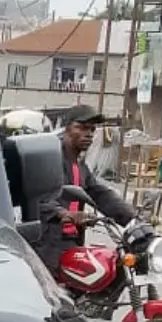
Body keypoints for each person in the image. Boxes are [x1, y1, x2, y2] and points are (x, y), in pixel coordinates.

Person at [36, 105, 135, 271]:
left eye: (91, 129)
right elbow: (39, 197)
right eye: (81, 128)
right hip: (47, 244)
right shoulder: (50, 159)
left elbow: (99, 193)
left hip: (71, 241)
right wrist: (64, 214)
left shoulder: (80, 165)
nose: (88, 134)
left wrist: (133, 219)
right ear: (67, 128)